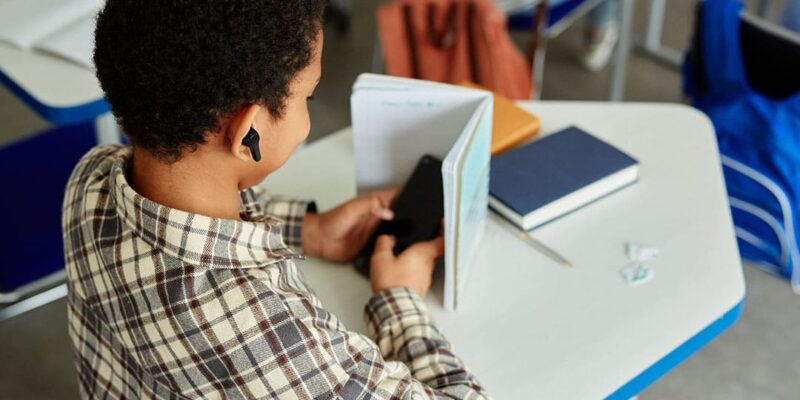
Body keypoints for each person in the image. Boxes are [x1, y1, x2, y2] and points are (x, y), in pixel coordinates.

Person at [62, 1, 489, 398]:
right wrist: (398, 299)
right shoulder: (270, 335)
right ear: (249, 131)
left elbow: (186, 220)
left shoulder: (90, 178)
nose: (308, 113)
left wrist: (311, 230)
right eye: (309, 96)